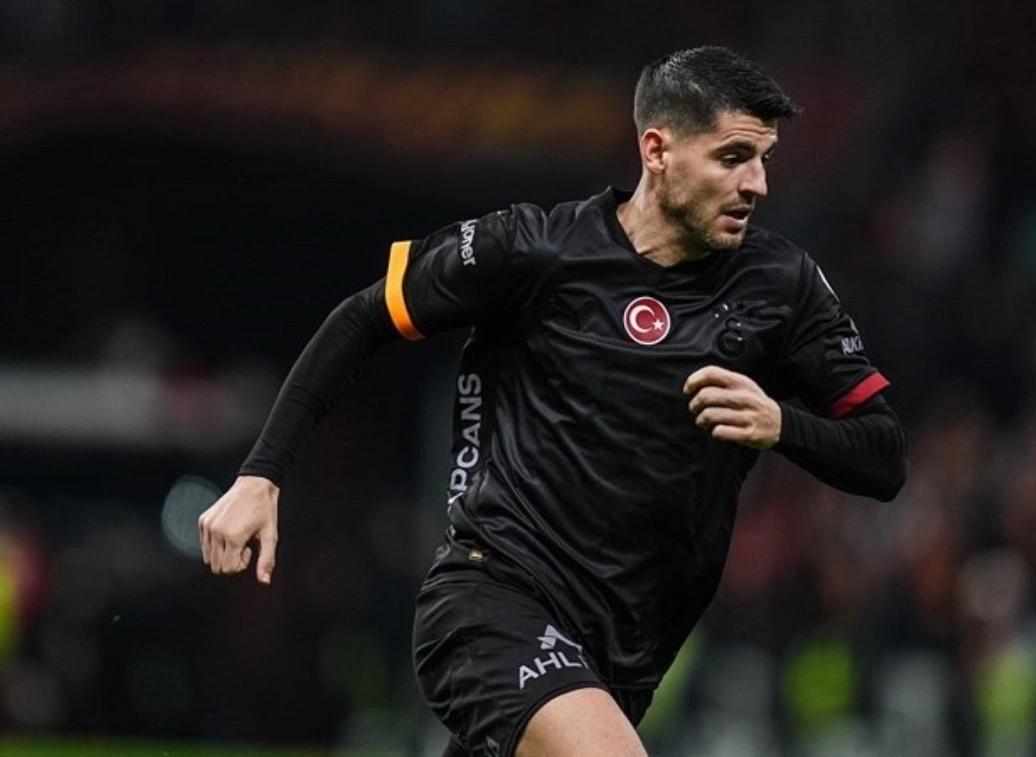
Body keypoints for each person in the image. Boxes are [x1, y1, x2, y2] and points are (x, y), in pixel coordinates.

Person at [198, 45, 908, 757]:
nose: (757, 183)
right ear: (657, 150)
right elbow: (364, 316)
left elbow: (883, 456)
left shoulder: (781, 284)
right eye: (732, 157)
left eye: (765, 159)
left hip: (625, 654)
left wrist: (782, 424)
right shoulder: (537, 248)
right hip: (492, 601)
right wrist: (262, 474)